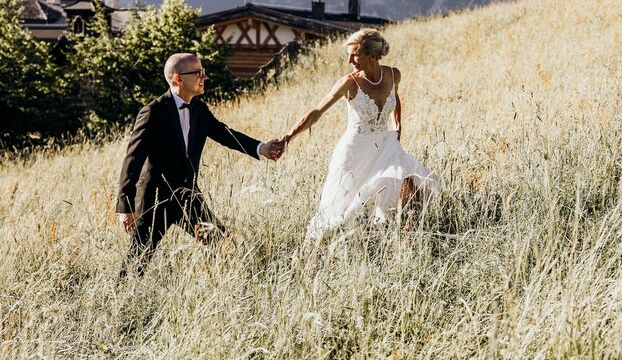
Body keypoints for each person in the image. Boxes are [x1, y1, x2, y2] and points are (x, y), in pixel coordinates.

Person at [115, 52, 284, 276]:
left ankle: (224, 284)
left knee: (223, 244)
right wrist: (125, 207)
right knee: (137, 261)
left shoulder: (199, 110)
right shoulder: (153, 112)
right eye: (198, 73)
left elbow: (226, 135)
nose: (204, 77)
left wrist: (261, 148)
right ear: (178, 79)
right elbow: (132, 160)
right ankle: (124, 295)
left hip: (189, 197)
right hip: (155, 200)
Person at [281, 28, 442, 240]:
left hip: (386, 145)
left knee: (410, 184)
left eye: (355, 55)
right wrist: (287, 138)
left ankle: (408, 242)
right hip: (354, 152)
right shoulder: (349, 83)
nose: (349, 61)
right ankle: (333, 247)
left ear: (373, 55)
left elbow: (395, 99)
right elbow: (317, 111)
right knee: (344, 212)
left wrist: (398, 127)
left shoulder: (393, 75)